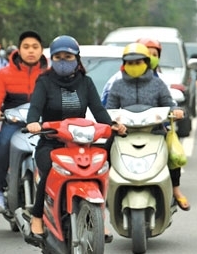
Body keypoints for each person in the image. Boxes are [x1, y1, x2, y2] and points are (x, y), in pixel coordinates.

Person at [26, 35, 127, 242]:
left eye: (68, 57)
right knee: (46, 172)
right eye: (59, 57)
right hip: (51, 142)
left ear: (77, 59)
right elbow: (35, 107)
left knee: (101, 169)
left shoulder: (86, 82)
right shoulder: (44, 81)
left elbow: (98, 109)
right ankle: (37, 217)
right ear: (52, 59)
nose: (63, 61)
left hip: (81, 143)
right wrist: (33, 122)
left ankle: (101, 216)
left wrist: (111, 126)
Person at [105, 42, 191, 211]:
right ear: (124, 65)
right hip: (124, 133)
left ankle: (175, 190)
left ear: (147, 63)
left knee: (172, 155)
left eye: (138, 62)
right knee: (104, 152)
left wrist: (176, 111)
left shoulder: (158, 84)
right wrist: (114, 124)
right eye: (130, 63)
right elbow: (110, 109)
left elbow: (169, 103)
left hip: (155, 131)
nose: (134, 66)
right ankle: (107, 190)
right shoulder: (117, 85)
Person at [0, 31, 48, 213]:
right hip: (13, 121)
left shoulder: (49, 74)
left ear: (41, 50)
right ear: (18, 50)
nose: (30, 51)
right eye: (26, 47)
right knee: (2, 144)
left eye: (35, 47)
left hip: (41, 123)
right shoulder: (4, 73)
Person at [101, 37, 165, 105]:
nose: (151, 58)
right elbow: (106, 107)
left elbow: (169, 105)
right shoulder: (117, 80)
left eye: (155, 55)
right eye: (148, 54)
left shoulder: (161, 81)